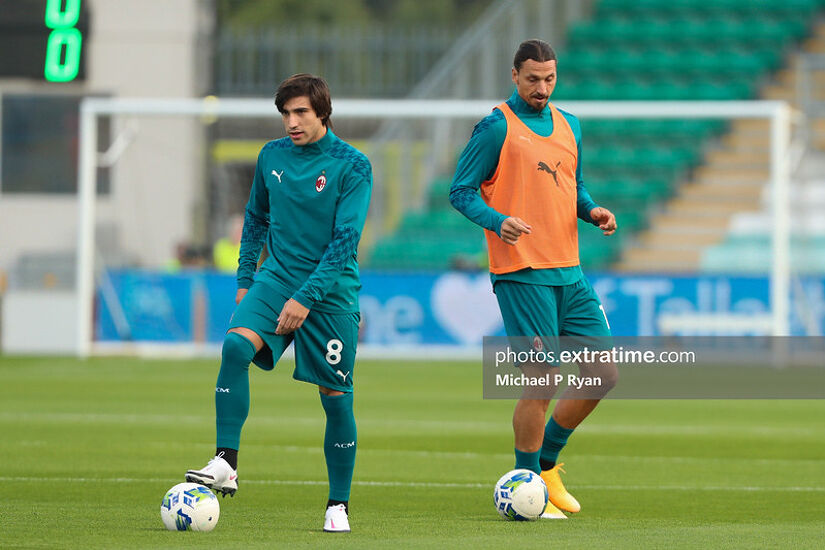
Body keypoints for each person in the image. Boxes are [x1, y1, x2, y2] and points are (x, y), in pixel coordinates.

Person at [185, 73, 372, 533]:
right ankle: (226, 462)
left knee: (335, 400)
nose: (291, 122)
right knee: (234, 348)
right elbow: (255, 218)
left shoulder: (353, 165)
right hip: (276, 277)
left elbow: (345, 242)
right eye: (286, 113)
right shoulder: (271, 156)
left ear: (322, 111)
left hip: (329, 293)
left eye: (300, 113)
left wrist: (305, 300)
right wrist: (246, 279)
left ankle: (338, 505)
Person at [450, 39, 618, 519]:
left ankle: (545, 467)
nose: (541, 88)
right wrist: (496, 220)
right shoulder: (496, 126)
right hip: (522, 270)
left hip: (570, 270)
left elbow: (573, 185)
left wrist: (593, 211)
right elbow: (460, 191)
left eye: (549, 79)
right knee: (542, 378)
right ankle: (526, 487)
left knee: (603, 374)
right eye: (532, 79)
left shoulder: (570, 125)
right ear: (514, 75)